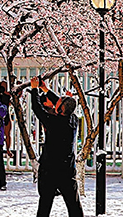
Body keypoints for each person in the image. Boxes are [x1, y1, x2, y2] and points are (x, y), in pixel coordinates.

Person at [30, 76, 84, 217]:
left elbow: (37, 108)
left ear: (59, 109)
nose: (55, 103)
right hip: (67, 171)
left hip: (50, 171)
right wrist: (45, 89)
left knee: (45, 204)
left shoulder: (54, 123)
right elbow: (60, 104)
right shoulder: (73, 120)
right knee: (74, 205)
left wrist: (35, 89)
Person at [0, 81, 13, 159]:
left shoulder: (8, 95)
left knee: (7, 134)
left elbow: (12, 101)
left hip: (6, 115)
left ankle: (8, 149)